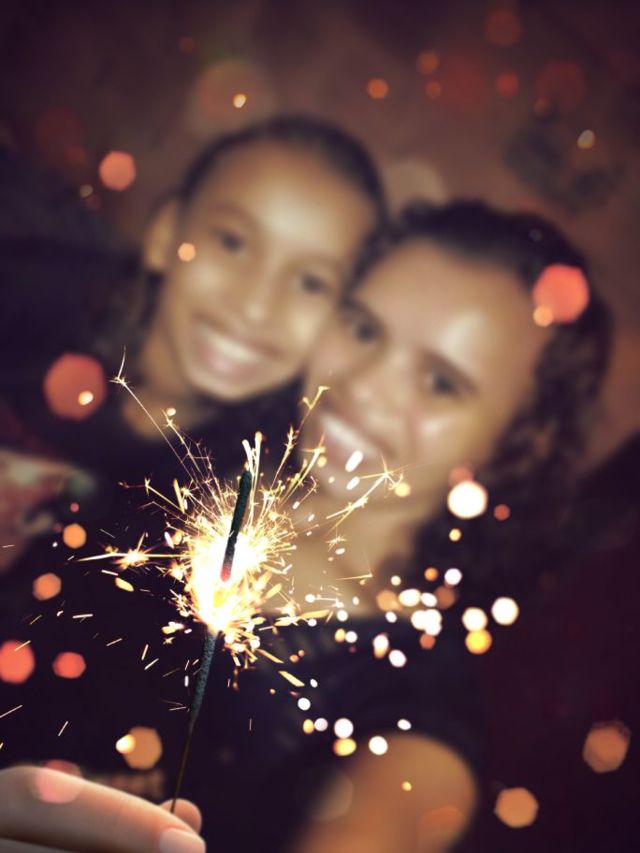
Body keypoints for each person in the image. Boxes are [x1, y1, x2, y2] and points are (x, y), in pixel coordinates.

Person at [0, 202, 611, 852]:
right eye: (364, 328)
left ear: (519, 444)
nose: (364, 386)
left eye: (440, 382)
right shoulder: (206, 441)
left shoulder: (411, 704)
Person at [0, 114, 386, 571]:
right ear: (166, 236)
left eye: (311, 282)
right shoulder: (32, 296)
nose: (256, 307)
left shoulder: (250, 479)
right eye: (232, 242)